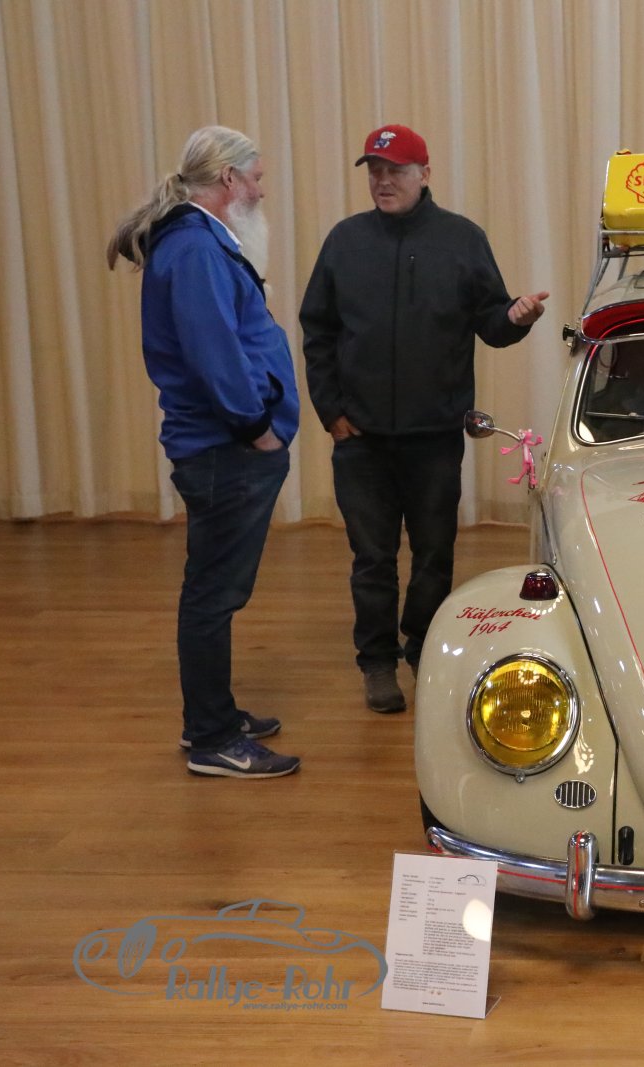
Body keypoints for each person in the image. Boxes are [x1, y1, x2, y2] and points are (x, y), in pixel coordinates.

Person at [300, 124, 548, 712]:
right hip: (361, 439)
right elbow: (318, 331)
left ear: (424, 174)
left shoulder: (462, 239)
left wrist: (516, 318)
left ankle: (423, 645)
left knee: (435, 554)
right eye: (375, 172)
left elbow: (492, 322)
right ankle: (377, 661)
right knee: (373, 559)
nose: (383, 181)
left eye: (395, 171)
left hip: (434, 437)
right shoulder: (345, 241)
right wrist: (331, 412)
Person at [106, 125, 302, 778]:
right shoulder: (193, 247)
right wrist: (257, 426)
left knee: (214, 589)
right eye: (257, 179)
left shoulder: (200, 240)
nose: (261, 191)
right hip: (226, 449)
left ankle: (212, 717)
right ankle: (213, 738)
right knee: (213, 594)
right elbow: (213, 352)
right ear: (228, 179)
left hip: (226, 448)